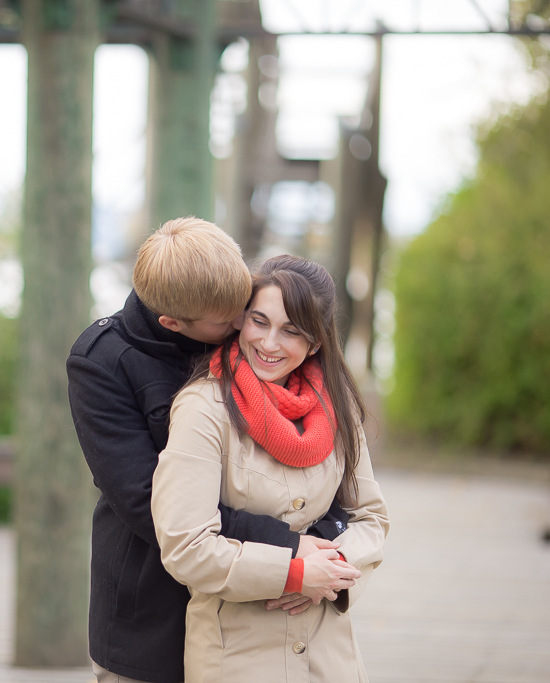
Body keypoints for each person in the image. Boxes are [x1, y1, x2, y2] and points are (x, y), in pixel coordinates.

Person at [67, 218, 351, 683]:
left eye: (247, 308)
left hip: (249, 612)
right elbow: (145, 503)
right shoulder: (103, 361)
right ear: (173, 324)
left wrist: (322, 546)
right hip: (152, 613)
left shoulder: (244, 340)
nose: (246, 328)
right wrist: (290, 545)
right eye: (232, 321)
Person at [151, 254, 390, 683]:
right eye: (259, 322)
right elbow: (186, 547)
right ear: (241, 320)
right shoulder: (204, 409)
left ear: (316, 342)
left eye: (292, 331)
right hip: (237, 653)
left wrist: (333, 569)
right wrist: (293, 573)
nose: (269, 343)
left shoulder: (336, 408)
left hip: (328, 651)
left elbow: (371, 518)